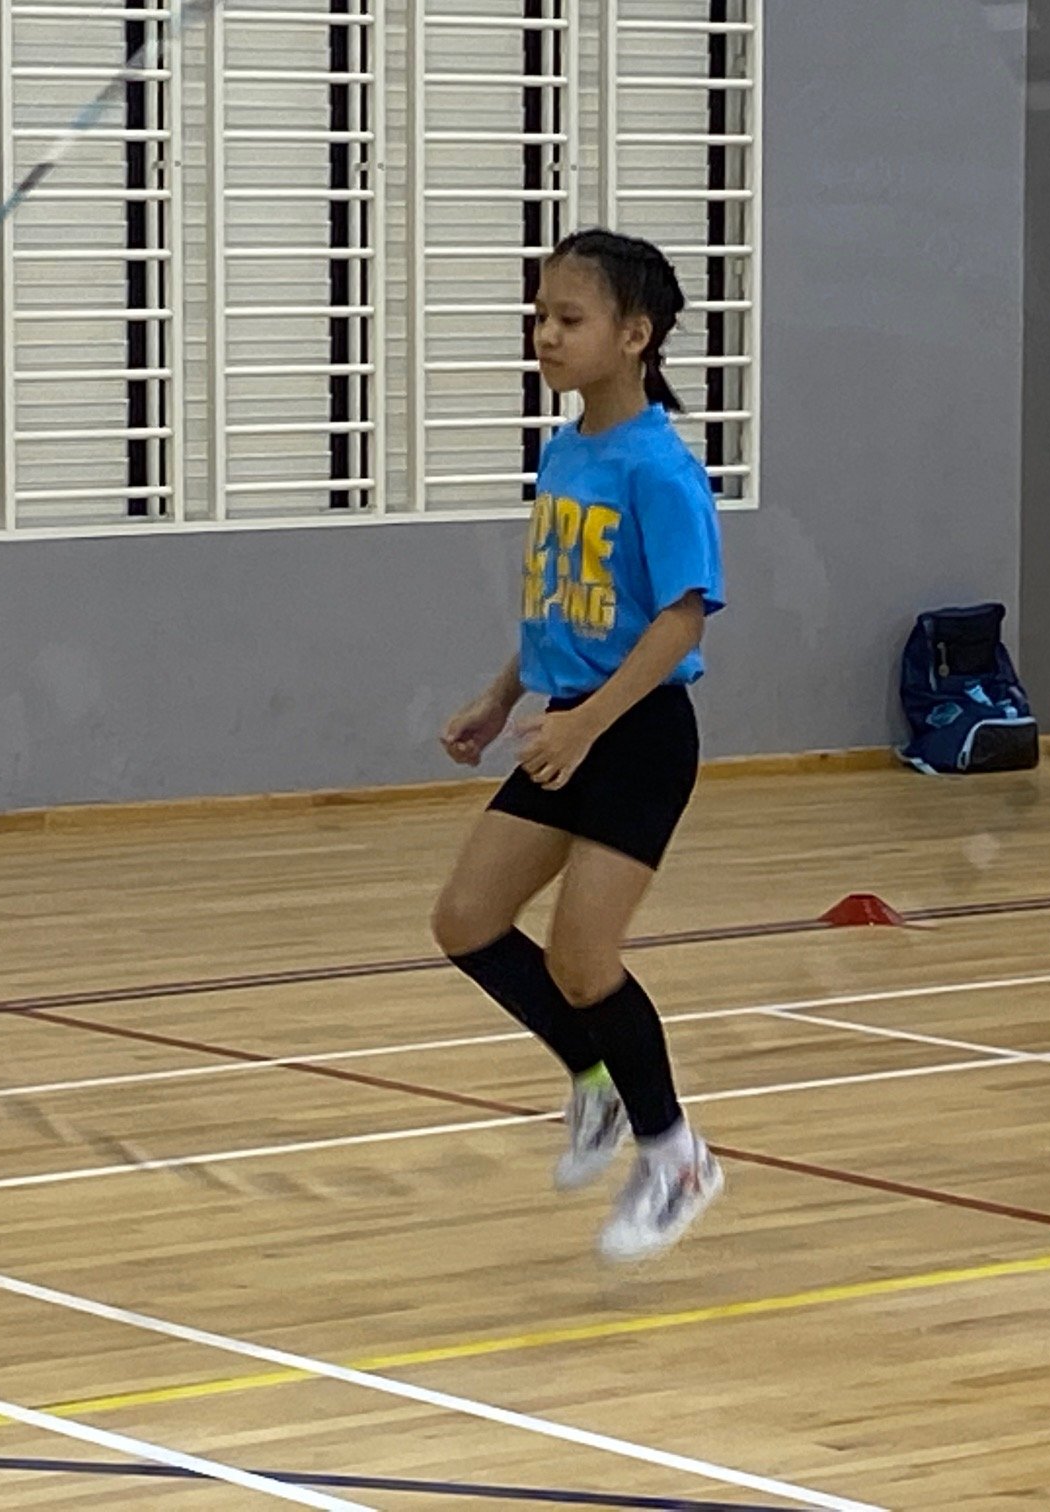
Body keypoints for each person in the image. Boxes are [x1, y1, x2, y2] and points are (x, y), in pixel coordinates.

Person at [430, 229, 726, 1262]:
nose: (545, 335)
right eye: (540, 315)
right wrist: (501, 692)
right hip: (566, 720)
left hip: (634, 732)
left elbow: (681, 621)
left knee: (582, 956)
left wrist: (586, 723)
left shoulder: (659, 468)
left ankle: (676, 1153)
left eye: (569, 319)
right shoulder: (566, 450)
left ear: (635, 335)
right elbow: (560, 600)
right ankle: (593, 1081)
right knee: (467, 919)